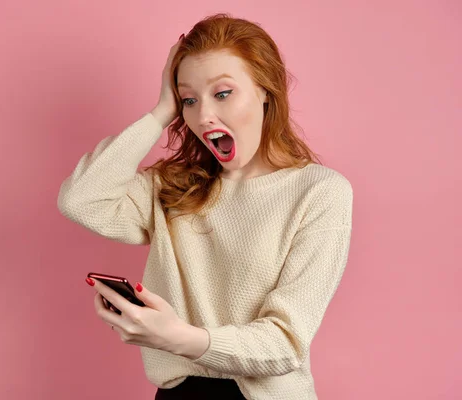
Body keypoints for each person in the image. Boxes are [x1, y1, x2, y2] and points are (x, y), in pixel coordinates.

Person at [58, 13, 353, 400]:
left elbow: (286, 344)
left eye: (223, 93)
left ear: (267, 90)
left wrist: (179, 338)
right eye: (189, 100)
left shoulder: (319, 192)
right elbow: (81, 200)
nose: (203, 116)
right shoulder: (173, 188)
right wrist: (161, 111)